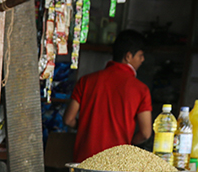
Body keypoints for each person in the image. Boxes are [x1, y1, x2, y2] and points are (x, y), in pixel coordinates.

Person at [63, 29, 153, 163]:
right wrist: (128, 142)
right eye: (140, 55)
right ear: (128, 56)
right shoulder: (141, 90)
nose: (142, 59)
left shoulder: (86, 81)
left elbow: (68, 120)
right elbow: (145, 133)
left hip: (84, 161)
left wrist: (85, 126)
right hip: (116, 164)